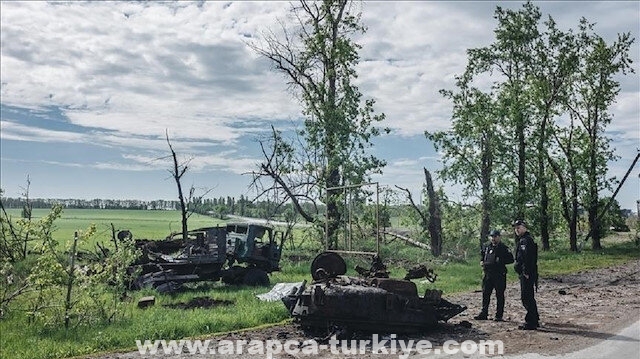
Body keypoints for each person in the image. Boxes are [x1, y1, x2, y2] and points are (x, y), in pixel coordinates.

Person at [474, 229, 514, 321]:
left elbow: (511, 259)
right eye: (492, 237)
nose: (493, 238)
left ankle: (499, 315)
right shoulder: (487, 247)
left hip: (499, 274)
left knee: (499, 294)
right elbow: (482, 255)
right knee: (485, 293)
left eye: (495, 236)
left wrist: (501, 261)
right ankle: (484, 313)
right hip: (488, 273)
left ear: (499, 237)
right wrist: (482, 261)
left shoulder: (503, 248)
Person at [513, 220, 540, 330]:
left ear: (524, 227)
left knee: (526, 297)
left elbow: (528, 258)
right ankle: (535, 318)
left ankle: (531, 321)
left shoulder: (526, 241)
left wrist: (526, 272)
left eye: (519, 227)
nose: (517, 230)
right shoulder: (523, 240)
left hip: (527, 274)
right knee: (528, 296)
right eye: (515, 228)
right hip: (525, 273)